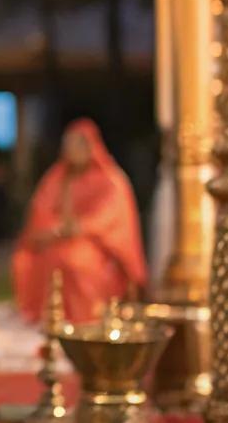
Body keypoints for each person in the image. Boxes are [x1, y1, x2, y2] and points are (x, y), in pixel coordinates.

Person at [12, 118, 147, 325]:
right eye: (68, 145)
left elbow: (111, 217)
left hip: (95, 245)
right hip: (58, 241)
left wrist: (80, 227)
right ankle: (48, 317)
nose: (71, 151)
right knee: (29, 259)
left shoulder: (110, 179)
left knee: (76, 261)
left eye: (77, 145)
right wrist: (55, 230)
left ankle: (86, 319)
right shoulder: (56, 177)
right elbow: (41, 211)